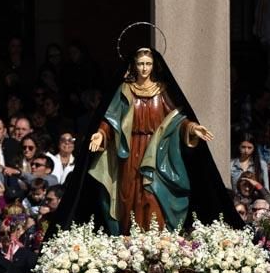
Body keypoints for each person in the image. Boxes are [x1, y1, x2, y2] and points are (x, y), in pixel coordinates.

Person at [82, 47, 217, 235]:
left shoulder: (161, 91)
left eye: (148, 64)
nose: (144, 68)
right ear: (134, 66)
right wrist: (101, 134)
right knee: (128, 194)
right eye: (140, 64)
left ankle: (156, 238)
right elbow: (111, 118)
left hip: (157, 151)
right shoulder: (125, 90)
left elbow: (176, 118)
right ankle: (129, 238)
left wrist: (193, 128)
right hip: (129, 150)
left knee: (152, 193)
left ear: (154, 66)